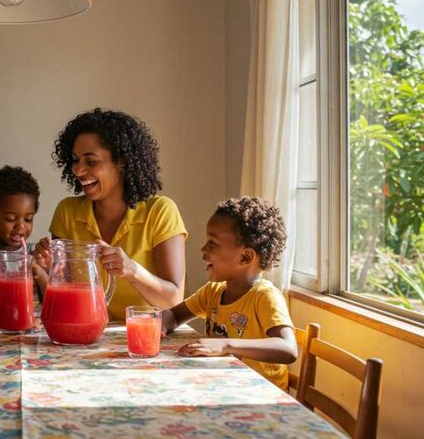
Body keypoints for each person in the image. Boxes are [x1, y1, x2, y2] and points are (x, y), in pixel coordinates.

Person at [36, 108, 187, 320]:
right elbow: (65, 295)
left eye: (91, 161)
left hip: (143, 339)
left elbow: (174, 300)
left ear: (122, 162)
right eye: (75, 160)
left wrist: (132, 270)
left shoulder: (160, 211)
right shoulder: (67, 212)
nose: (78, 170)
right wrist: (51, 267)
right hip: (84, 335)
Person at [161, 197, 297, 389]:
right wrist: (159, 325)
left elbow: (288, 349)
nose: (203, 249)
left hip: (259, 395)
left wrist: (226, 345)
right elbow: (174, 315)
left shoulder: (265, 297)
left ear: (245, 256)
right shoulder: (213, 292)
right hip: (222, 385)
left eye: (212, 243)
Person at [0, 166, 48, 314]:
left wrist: (41, 274)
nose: (21, 226)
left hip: (33, 328)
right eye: (11, 219)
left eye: (28, 219)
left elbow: (52, 299)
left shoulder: (35, 254)